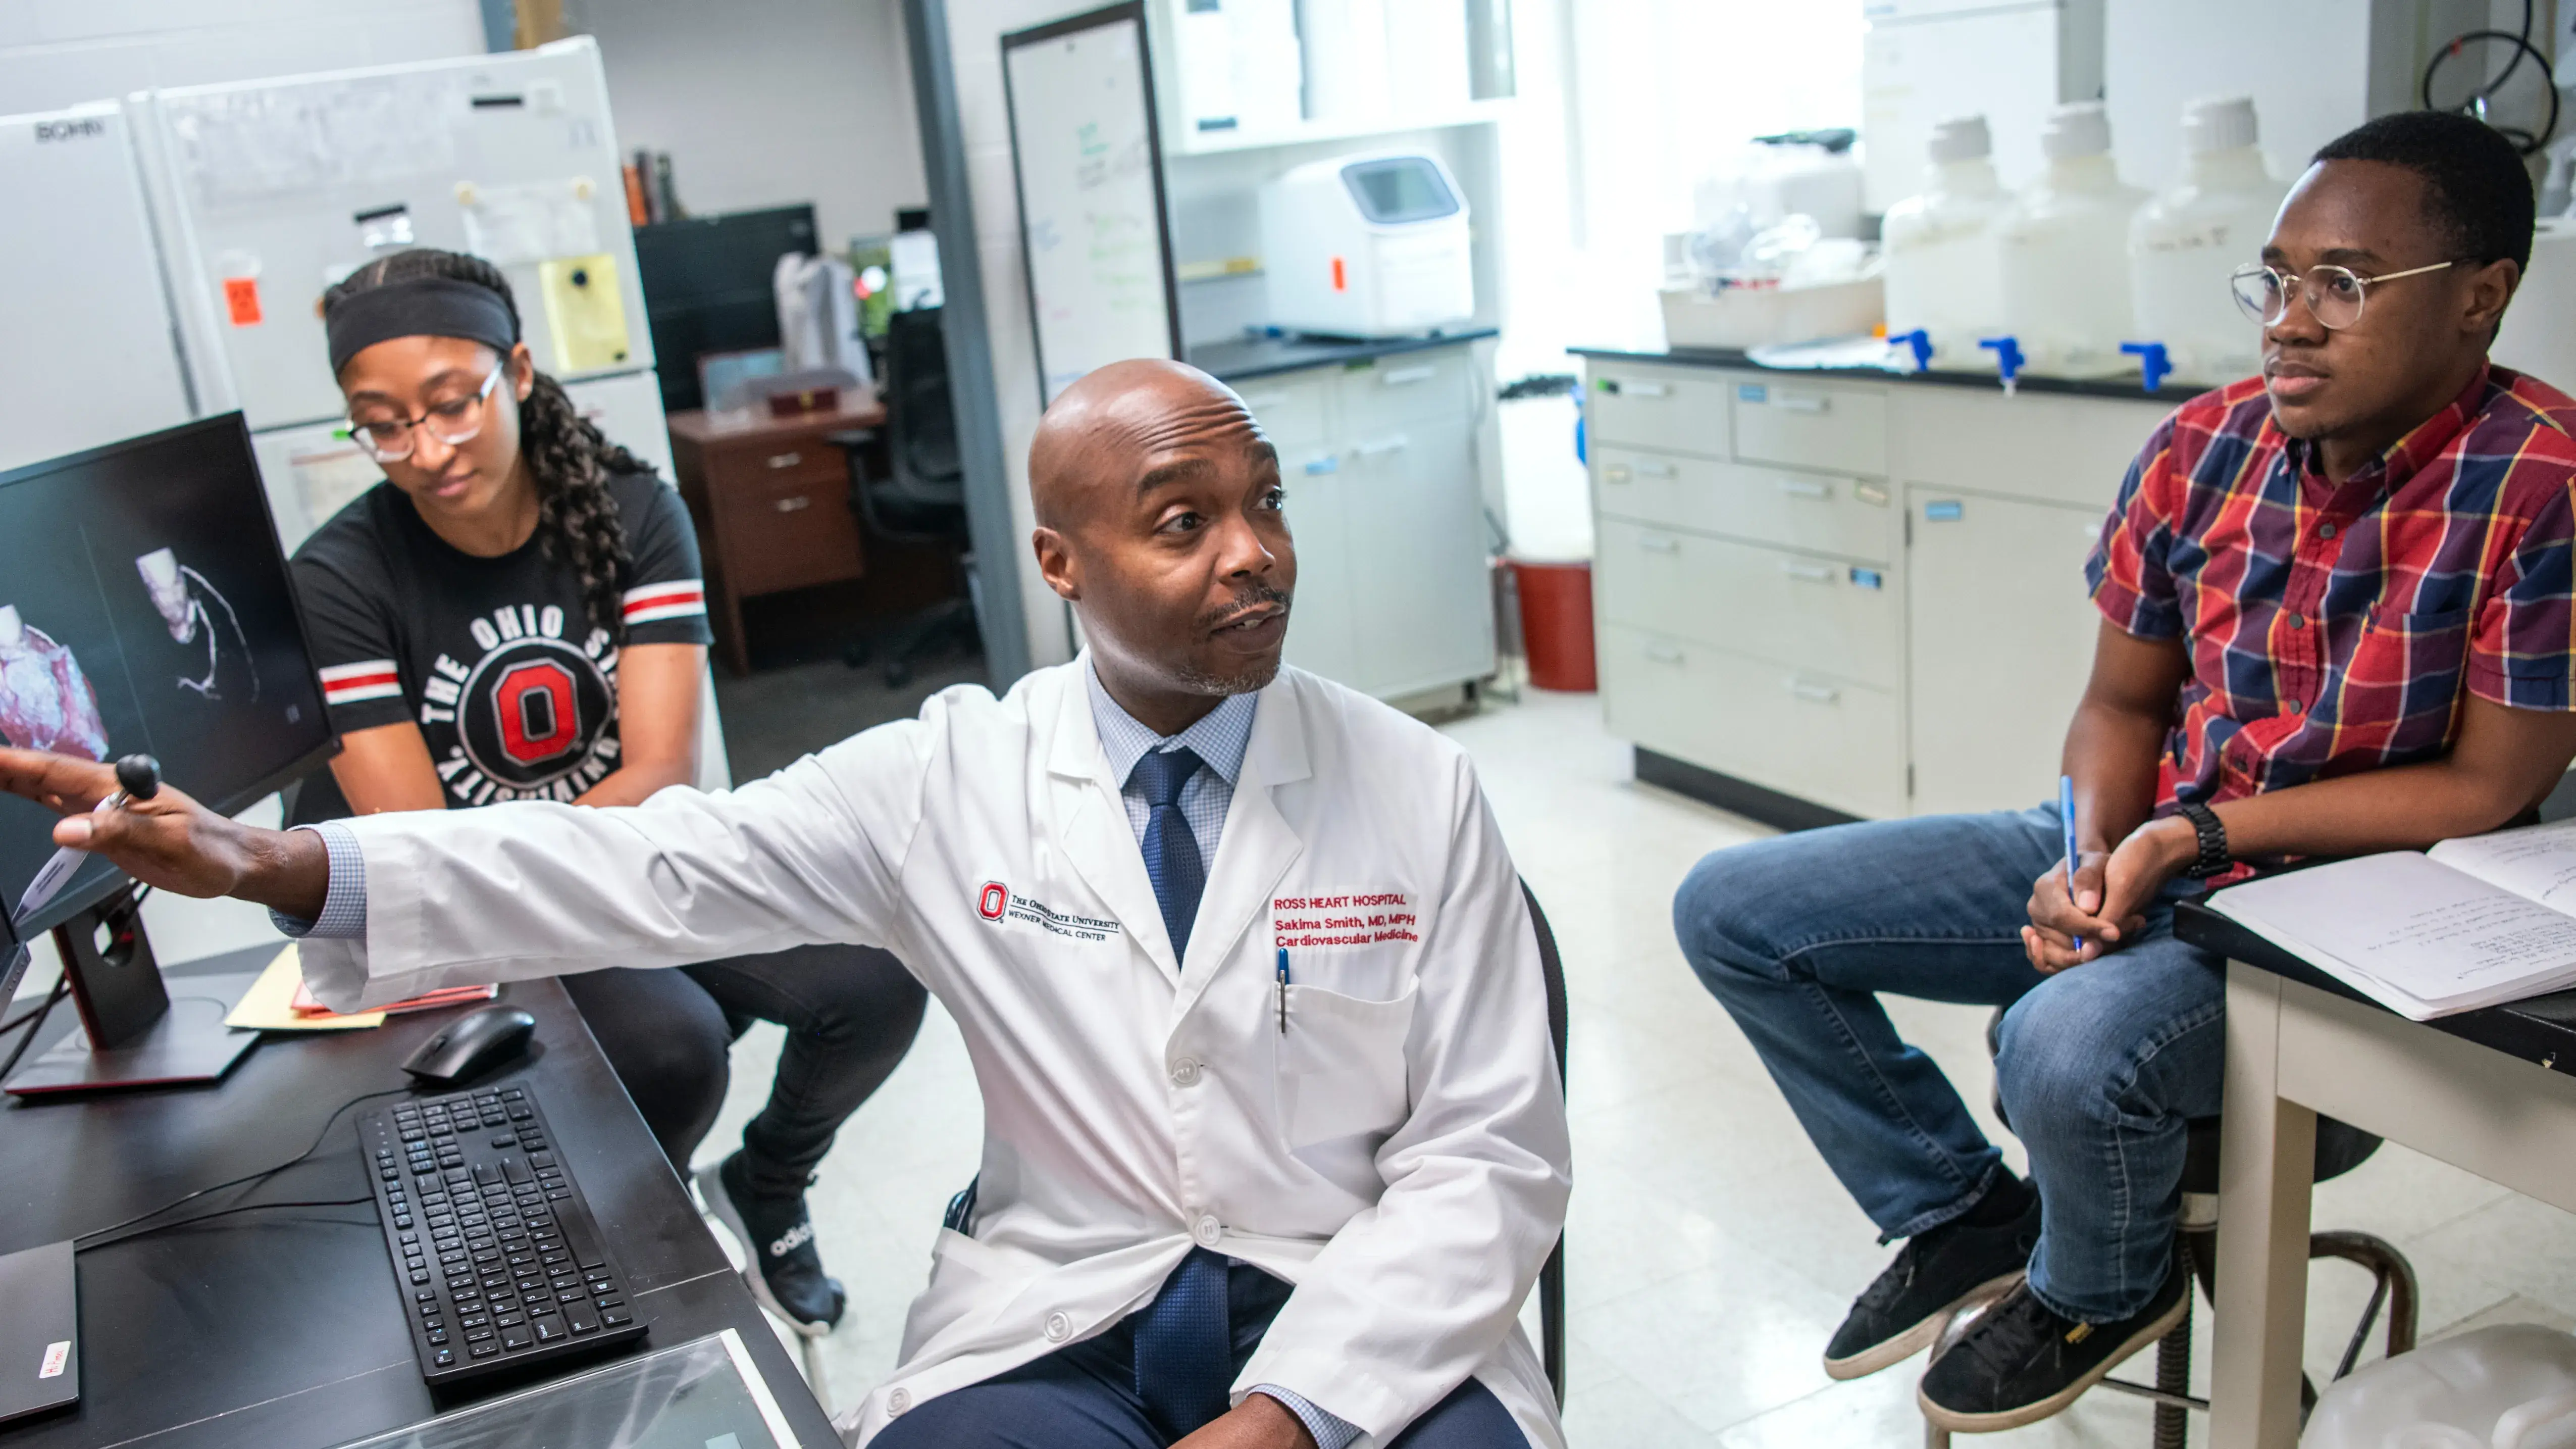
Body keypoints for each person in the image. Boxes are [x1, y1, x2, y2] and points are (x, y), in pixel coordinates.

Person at [1, 357, 1571, 1449]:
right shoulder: (951, 771)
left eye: (1267, 504)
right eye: (1182, 521)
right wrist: (277, 860)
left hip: (1355, 1313)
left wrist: (1290, 1411)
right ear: (1060, 562)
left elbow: (1488, 1155)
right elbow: (640, 862)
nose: (1255, 558)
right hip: (1067, 1310)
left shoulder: (1411, 783)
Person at [1669, 110, 2576, 1433]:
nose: (2289, 321)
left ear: (2478, 299)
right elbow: (2119, 698)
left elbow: (2481, 788)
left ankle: (2102, 1284)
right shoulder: (2202, 445)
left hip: (2325, 922)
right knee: (1730, 907)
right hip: (2161, 839)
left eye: (2341, 284)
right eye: (2274, 278)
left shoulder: (2539, 483)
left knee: (2056, 1040)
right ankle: (1961, 1210)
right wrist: (2093, 850)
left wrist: (2184, 841)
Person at [282, 248, 928, 1334]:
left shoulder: (632, 512)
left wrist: (596, 881)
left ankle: (767, 1181)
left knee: (877, 977)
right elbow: (418, 846)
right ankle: (644, 1262)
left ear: (520, 372)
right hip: (479, 913)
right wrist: (572, 893)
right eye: (382, 423)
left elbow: (661, 768)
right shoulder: (338, 579)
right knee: (669, 1045)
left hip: (633, 843)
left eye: (452, 405)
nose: (424, 450)